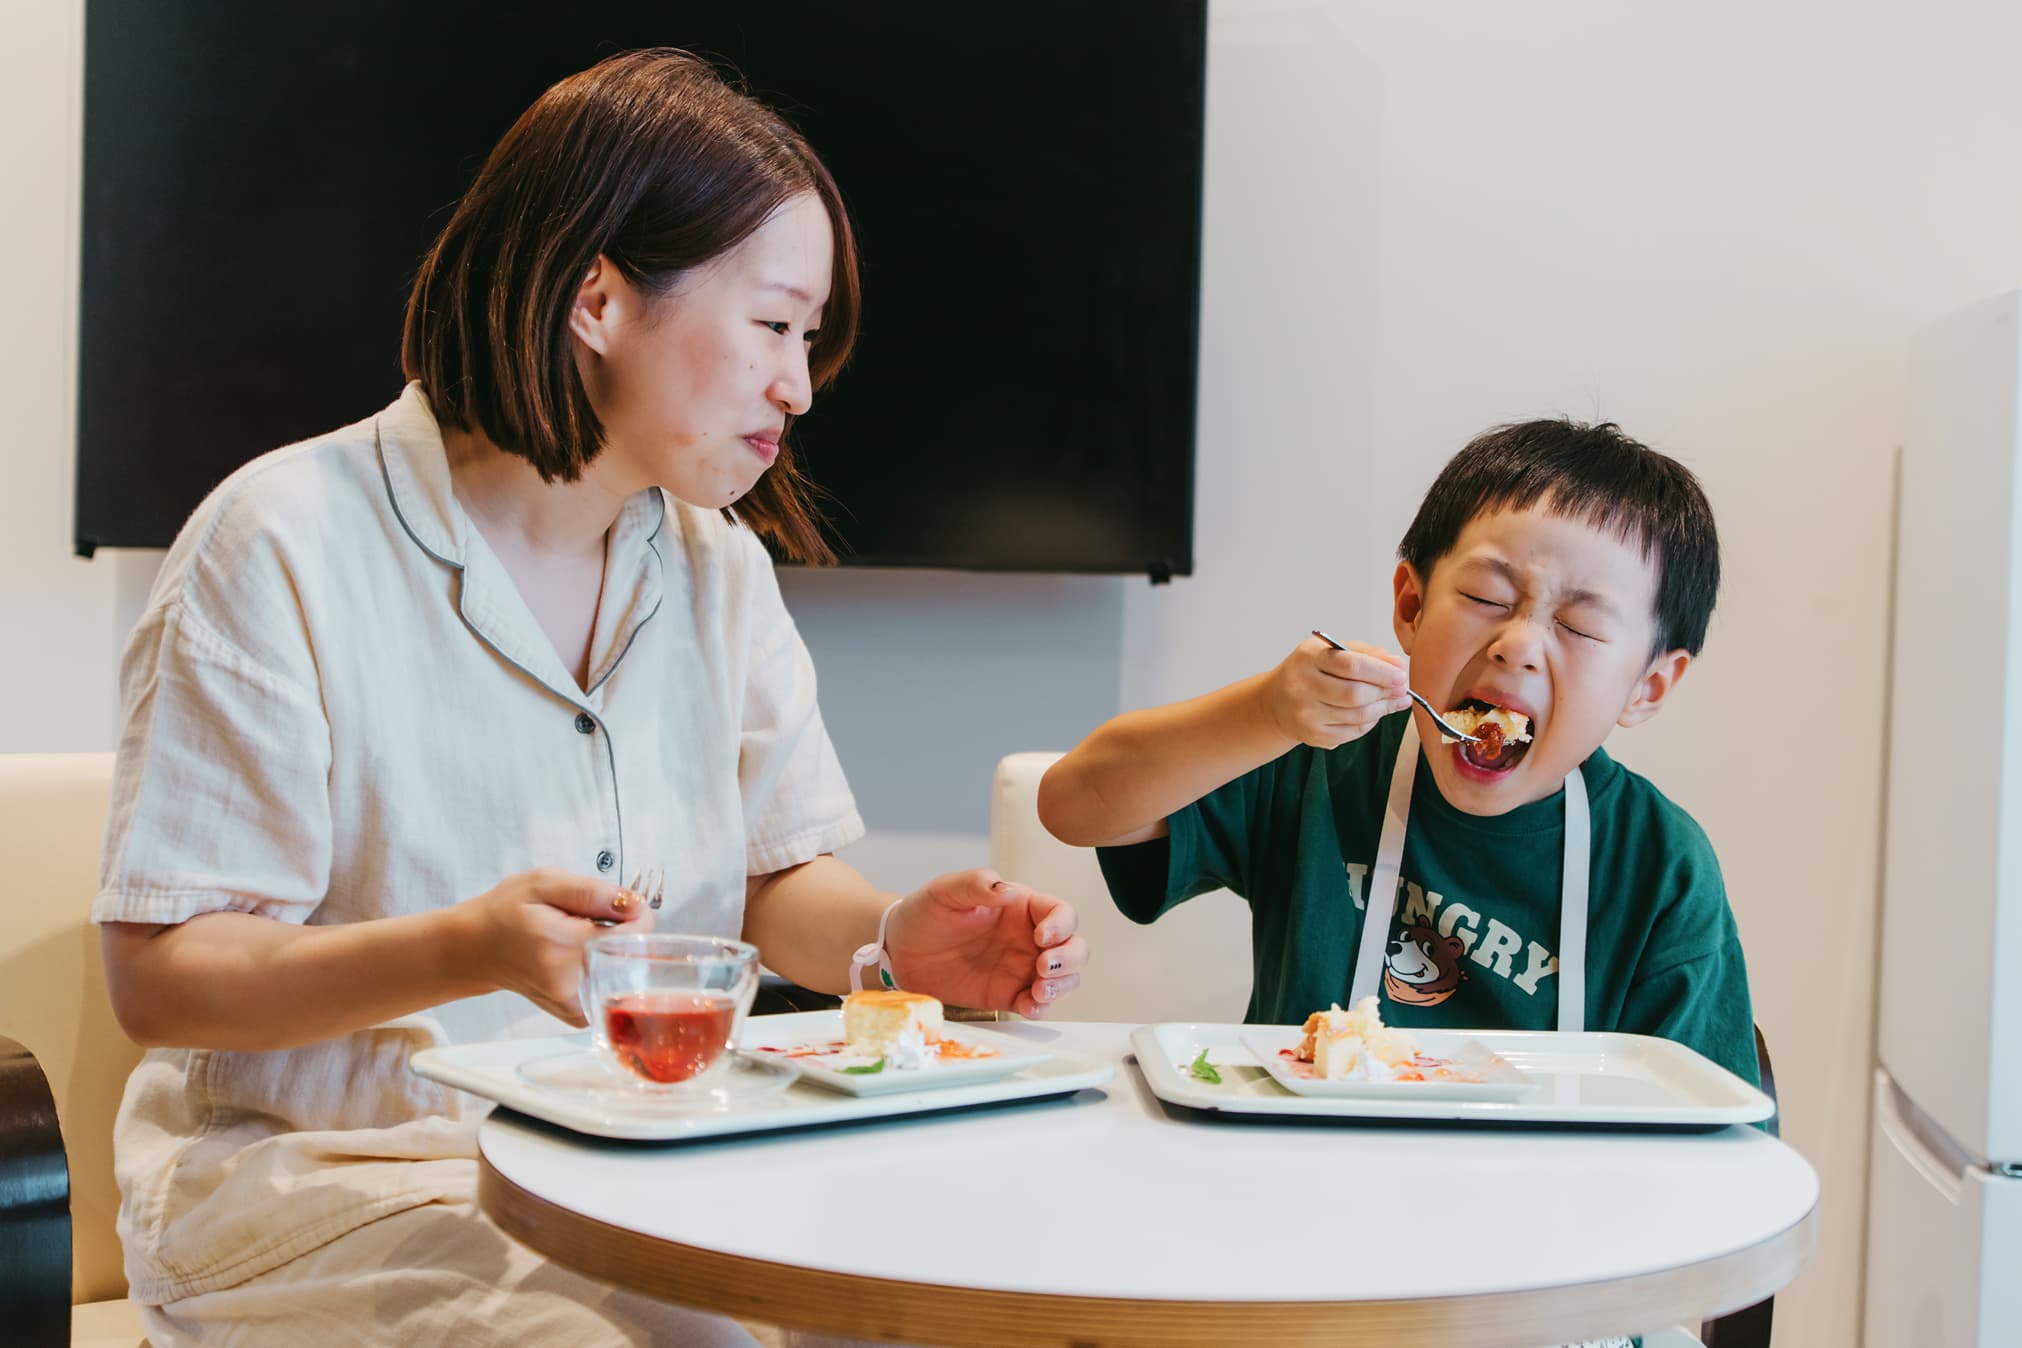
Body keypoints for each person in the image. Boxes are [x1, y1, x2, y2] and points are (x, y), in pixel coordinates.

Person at [94, 49, 1086, 1347]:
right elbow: (163, 978)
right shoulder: (283, 540)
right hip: (333, 1181)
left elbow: (778, 884)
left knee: (944, 1303)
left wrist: (896, 941)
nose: (798, 383)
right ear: (599, 297)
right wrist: (467, 948)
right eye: (775, 326)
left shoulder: (715, 568)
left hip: (638, 1154)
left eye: (807, 340)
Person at [1038, 419, 1755, 1090]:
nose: (1519, 645)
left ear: (1649, 686)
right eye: (1486, 596)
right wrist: (1263, 714)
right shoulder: (1320, 764)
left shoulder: (1661, 868)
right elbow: (1072, 804)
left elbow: (1709, 1134)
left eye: (1578, 626)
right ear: (1410, 608)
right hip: (1298, 1188)